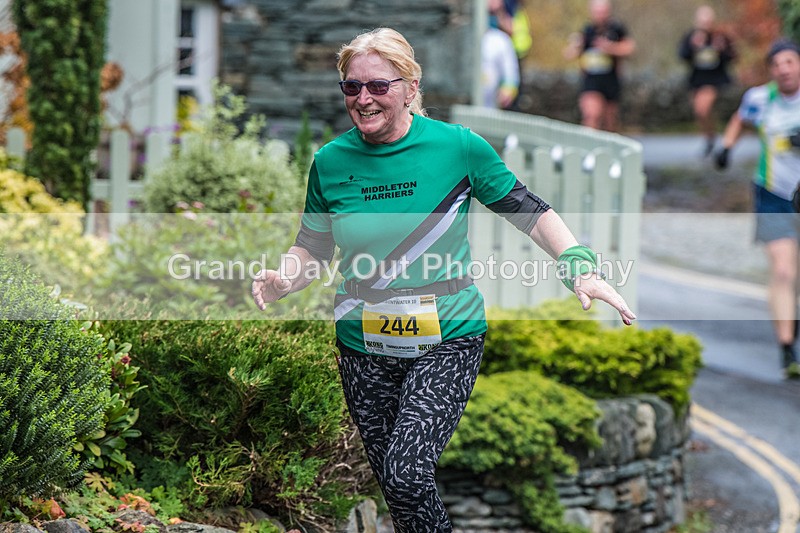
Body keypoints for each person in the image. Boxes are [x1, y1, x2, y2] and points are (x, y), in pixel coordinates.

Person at [252, 28, 636, 531]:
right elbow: (315, 246)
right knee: (396, 487)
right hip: (361, 340)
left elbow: (529, 212)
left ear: (410, 87)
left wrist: (579, 267)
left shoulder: (458, 148)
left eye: (378, 86)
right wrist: (285, 279)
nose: (363, 99)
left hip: (447, 336)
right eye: (351, 88)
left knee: (408, 474)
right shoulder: (330, 161)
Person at [715, 39, 800, 379]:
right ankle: (786, 349)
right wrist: (725, 147)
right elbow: (740, 119)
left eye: (790, 62)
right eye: (777, 64)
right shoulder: (760, 99)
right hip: (773, 194)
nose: (784, 69)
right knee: (783, 271)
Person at [563, 0, 635, 132]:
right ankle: (588, 147)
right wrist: (575, 45)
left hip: (611, 80)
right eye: (597, 12)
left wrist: (610, 48)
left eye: (603, 12)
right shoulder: (587, 31)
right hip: (591, 81)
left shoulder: (616, 29)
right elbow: (568, 54)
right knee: (591, 115)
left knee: (610, 122)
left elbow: (629, 48)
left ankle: (608, 150)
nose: (600, 15)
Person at [678, 5, 736, 156]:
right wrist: (693, 47)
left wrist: (721, 50)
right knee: (700, 113)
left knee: (702, 109)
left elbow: (732, 57)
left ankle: (710, 138)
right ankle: (709, 138)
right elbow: (682, 56)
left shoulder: (720, 36)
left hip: (714, 79)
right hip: (697, 80)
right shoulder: (691, 36)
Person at [482, 0, 520, 109]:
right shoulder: (462, 37)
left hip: (488, 108)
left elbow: (511, 73)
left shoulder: (500, 40)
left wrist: (508, 89)